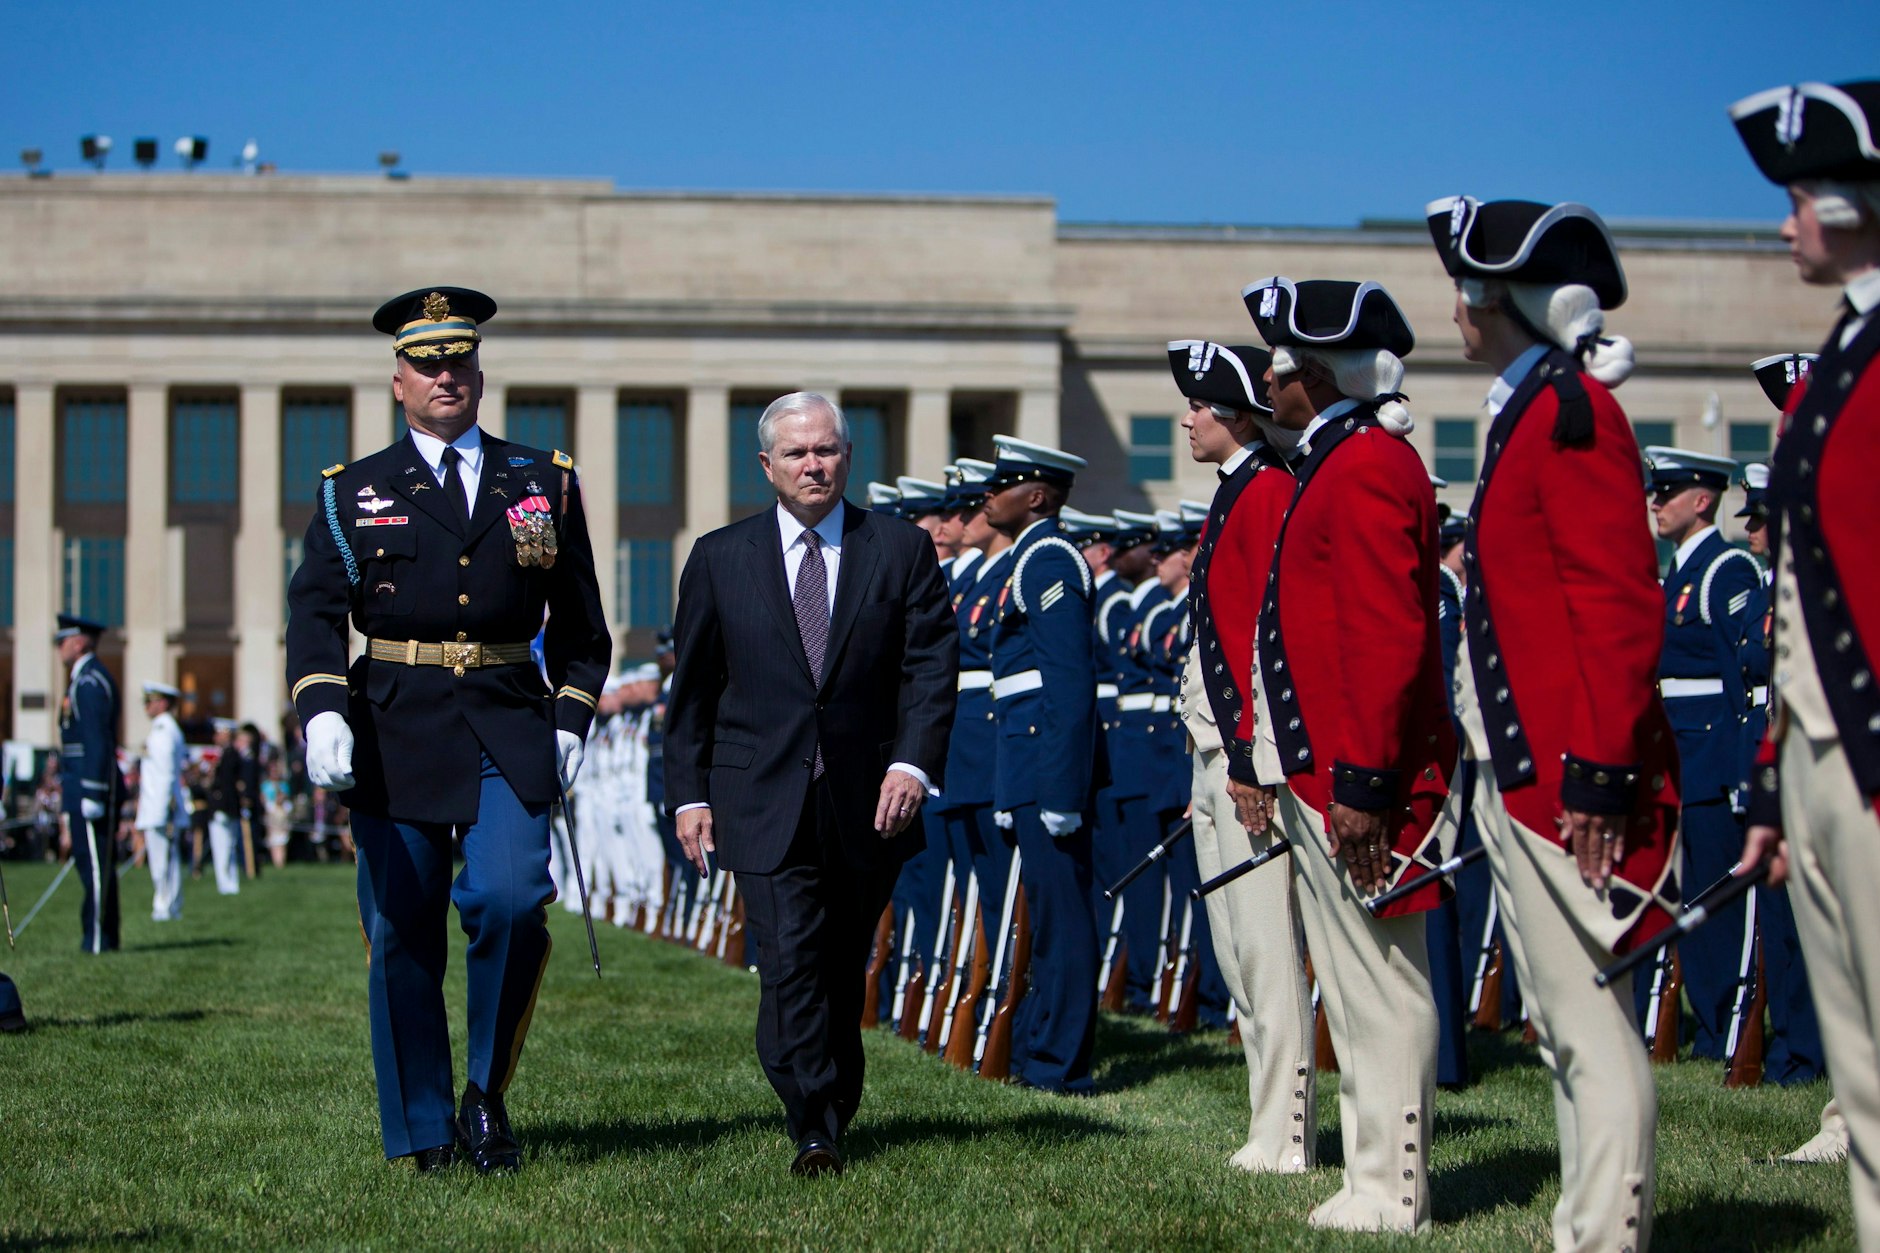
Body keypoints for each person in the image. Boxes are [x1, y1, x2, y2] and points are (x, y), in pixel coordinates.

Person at [286, 286, 611, 1173]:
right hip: (395, 726)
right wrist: (321, 710)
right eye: (426, 364)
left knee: (510, 901)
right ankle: (425, 1126)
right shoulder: (354, 492)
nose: (445, 376)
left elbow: (584, 627)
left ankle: (483, 1094)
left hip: (509, 720)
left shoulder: (541, 482)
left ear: (479, 370)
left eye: (458, 360)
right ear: (398, 380)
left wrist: (574, 717)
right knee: (402, 928)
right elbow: (314, 614)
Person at [1423, 195, 1679, 1251]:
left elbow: (1613, 601)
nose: (1453, 312)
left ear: (1508, 301)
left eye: (1468, 293)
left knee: (1587, 1017)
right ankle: (1586, 1216)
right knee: (1557, 1022)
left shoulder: (1571, 414)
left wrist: (1600, 772)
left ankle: (1609, 1229)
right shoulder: (1527, 409)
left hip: (1566, 769)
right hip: (1524, 759)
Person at [664, 391, 956, 1176]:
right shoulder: (721, 557)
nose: (813, 464)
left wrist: (913, 761)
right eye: (796, 453)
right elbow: (692, 690)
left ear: (847, 457)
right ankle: (813, 1120)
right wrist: (689, 793)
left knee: (837, 962)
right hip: (758, 792)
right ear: (767, 465)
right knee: (789, 954)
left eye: (825, 449)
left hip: (869, 799)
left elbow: (930, 665)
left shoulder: (899, 549)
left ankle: (830, 1101)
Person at [1242, 275, 1453, 1233]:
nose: (1270, 386)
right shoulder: (1341, 459)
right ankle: (1372, 1173)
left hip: (1361, 779)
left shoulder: (1365, 465)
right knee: (1355, 981)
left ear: (1317, 377)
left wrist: (1364, 782)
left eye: (1280, 369)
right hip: (1328, 770)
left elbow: (1384, 635)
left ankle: (1393, 1182)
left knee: (1381, 987)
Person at [1731, 78, 1880, 1241]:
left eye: (1797, 198)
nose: (1783, 225)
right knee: (1861, 1057)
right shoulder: (1845, 348)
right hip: (1821, 744)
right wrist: (1776, 775)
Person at [1167, 338, 1316, 1169]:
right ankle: (1268, 1120)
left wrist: (1250, 757)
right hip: (1216, 748)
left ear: (1230, 413)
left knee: (1265, 945)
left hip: (1243, 751)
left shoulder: (1264, 491)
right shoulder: (1235, 494)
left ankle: (1287, 1131)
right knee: (1235, 946)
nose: (1186, 417)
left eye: (1197, 403)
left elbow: (1263, 642)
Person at [980, 435, 1102, 1093]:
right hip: (1026, 761)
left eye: (1002, 486)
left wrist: (1058, 786)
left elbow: (1067, 682)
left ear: (1036, 496)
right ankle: (1038, 1046)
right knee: (1040, 915)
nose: (988, 497)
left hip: (1046, 764)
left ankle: (1061, 1061)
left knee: (1061, 916)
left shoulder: (1049, 558)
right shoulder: (1029, 557)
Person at [1643, 445, 1760, 1058]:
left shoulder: (1723, 569)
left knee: (1715, 901)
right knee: (1688, 898)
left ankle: (1726, 1030)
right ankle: (1708, 1026)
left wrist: (1736, 768)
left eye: (1668, 493)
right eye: (1656, 493)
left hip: (1711, 758)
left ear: (1703, 499)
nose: (1655, 503)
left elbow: (1738, 677)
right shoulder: (1680, 573)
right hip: (1680, 754)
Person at [57, 613, 121, 954]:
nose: (59, 648)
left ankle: (98, 939)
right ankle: (102, 937)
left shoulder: (89, 683)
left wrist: (93, 791)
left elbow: (96, 740)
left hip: (89, 785)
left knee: (95, 867)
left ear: (79, 641)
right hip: (79, 784)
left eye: (62, 640)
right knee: (91, 864)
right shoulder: (81, 680)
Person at [135, 681, 190, 921]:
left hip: (161, 805)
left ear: (163, 703)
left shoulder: (164, 729)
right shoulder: (162, 728)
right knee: (164, 857)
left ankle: (165, 906)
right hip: (156, 804)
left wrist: (167, 804)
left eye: (151, 701)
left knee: (163, 859)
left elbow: (167, 771)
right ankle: (169, 904)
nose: (147, 706)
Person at [206, 720, 249, 895]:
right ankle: (229, 883)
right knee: (227, 847)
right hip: (228, 807)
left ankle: (226, 884)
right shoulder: (228, 754)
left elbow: (224, 784)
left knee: (223, 847)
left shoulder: (229, 755)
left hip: (223, 807)